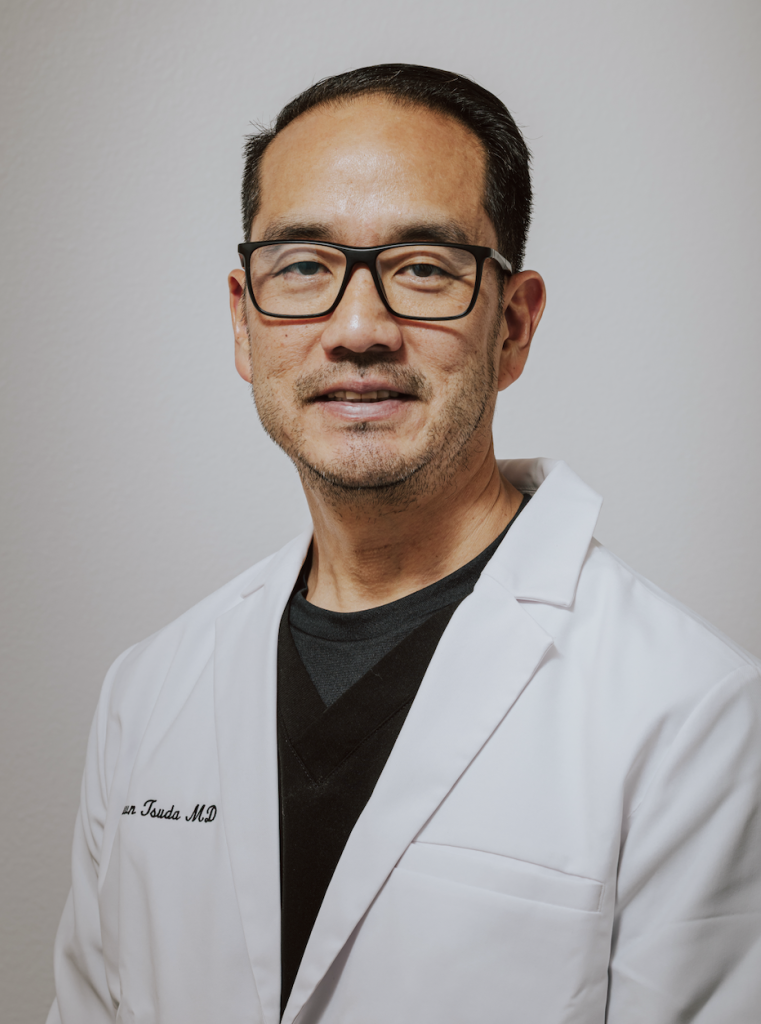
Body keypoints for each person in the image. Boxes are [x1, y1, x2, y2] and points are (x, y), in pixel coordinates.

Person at [48, 64, 761, 1024]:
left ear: (513, 326)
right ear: (244, 323)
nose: (358, 329)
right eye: (303, 266)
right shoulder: (146, 692)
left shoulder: (694, 716)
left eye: (423, 268)